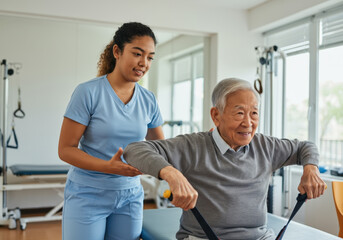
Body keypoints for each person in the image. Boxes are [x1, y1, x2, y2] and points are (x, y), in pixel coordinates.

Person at [123, 78, 326, 240]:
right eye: (239, 113)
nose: (248, 123)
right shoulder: (192, 146)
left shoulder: (266, 146)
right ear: (216, 115)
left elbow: (305, 147)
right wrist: (171, 173)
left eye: (254, 113)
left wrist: (311, 169)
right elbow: (134, 149)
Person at [58, 22, 164, 240]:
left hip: (130, 195)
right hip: (88, 194)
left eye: (150, 57)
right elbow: (66, 150)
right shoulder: (88, 92)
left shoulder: (148, 100)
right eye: (137, 53)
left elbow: (161, 148)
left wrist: (206, 142)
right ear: (117, 51)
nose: (144, 63)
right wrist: (108, 167)